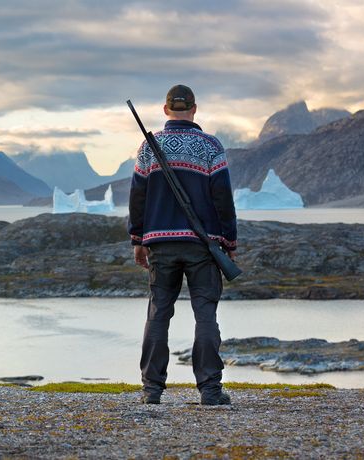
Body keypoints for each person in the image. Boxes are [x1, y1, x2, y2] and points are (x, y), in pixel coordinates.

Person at [128, 84, 237, 406]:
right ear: (194, 108)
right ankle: (210, 391)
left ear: (166, 110)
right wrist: (229, 242)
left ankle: (152, 390)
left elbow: (138, 197)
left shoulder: (149, 148)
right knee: (205, 315)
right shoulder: (210, 147)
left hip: (161, 245)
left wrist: (138, 239)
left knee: (158, 313)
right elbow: (223, 199)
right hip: (202, 247)